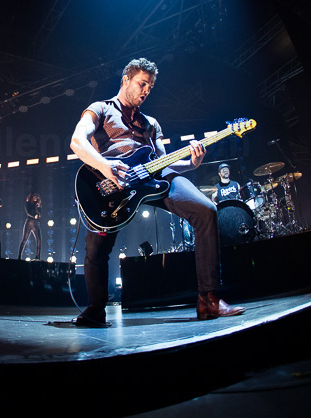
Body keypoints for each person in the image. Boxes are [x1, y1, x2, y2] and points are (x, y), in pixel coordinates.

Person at [70, 58, 244, 326]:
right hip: (111, 185)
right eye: (142, 84)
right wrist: (105, 166)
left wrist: (191, 163)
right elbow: (77, 141)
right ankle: (96, 308)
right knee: (96, 248)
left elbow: (164, 163)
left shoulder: (150, 123)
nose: (146, 91)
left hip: (153, 180)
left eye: (150, 87)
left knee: (206, 209)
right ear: (126, 79)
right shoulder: (100, 109)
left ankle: (208, 299)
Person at [17, 193, 42, 260]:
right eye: (34, 196)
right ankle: (19, 256)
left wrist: (38, 208)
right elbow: (28, 213)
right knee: (25, 239)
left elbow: (40, 214)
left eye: (36, 196)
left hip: (36, 223)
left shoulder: (37, 204)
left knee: (39, 240)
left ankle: (38, 256)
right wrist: (34, 216)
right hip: (29, 222)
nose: (35, 197)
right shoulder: (28, 203)